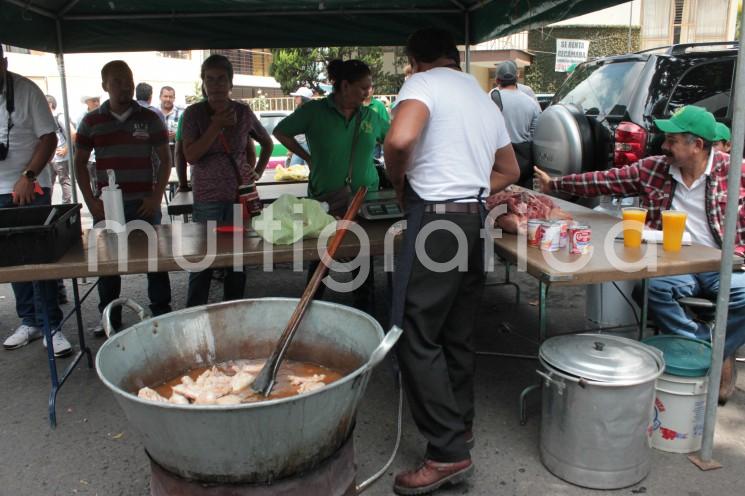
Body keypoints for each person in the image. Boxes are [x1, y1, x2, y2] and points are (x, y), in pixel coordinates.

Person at [534, 105, 745, 405]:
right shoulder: (655, 168)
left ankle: (704, 350)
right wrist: (555, 184)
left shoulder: (734, 171)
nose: (664, 146)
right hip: (672, 264)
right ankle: (703, 347)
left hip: (719, 263)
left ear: (696, 145)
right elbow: (604, 180)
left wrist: (738, 254)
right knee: (650, 288)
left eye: (672, 140)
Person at [384, 28, 519, 494]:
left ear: (414, 60)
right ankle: (459, 426)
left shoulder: (422, 84)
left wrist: (400, 184)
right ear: (454, 56)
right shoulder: (485, 99)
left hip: (437, 220)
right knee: (457, 332)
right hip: (475, 219)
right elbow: (510, 170)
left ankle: (446, 453)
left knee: (414, 333)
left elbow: (400, 140)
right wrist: (468, 184)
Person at [273, 59, 389, 313]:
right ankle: (311, 314)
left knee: (363, 264)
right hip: (323, 202)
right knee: (320, 262)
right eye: (363, 87)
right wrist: (308, 158)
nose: (368, 92)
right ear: (345, 85)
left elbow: (392, 142)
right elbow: (281, 132)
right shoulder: (314, 111)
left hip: (364, 200)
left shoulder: (371, 115)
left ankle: (365, 315)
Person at [74, 60, 173, 334]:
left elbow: (165, 160)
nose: (124, 86)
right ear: (105, 85)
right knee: (107, 265)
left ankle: (161, 314)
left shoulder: (151, 118)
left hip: (145, 205)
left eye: (127, 80)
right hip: (108, 207)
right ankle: (110, 317)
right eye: (116, 81)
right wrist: (92, 203)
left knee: (155, 260)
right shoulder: (91, 121)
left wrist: (155, 197)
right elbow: (79, 162)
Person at [181, 54, 273, 307]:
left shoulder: (243, 112)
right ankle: (193, 314)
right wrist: (216, 126)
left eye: (222, 79)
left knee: (237, 262)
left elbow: (266, 142)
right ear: (203, 83)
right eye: (210, 79)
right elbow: (191, 155)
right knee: (202, 262)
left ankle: (233, 311)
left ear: (231, 83)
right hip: (207, 200)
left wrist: (258, 171)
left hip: (239, 198)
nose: (216, 84)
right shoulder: (193, 114)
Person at [1, 43, 72, 357]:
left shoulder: (26, 90)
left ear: (3, 63)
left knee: (40, 258)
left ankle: (51, 325)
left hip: (30, 186)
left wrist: (28, 176)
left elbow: (49, 137)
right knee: (13, 260)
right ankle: (29, 320)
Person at [491, 63, 541, 187]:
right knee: (521, 201)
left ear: (497, 80)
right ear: (516, 78)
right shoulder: (531, 103)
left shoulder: (490, 98)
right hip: (524, 162)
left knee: (499, 201)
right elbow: (535, 134)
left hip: (498, 160)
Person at [45, 95, 73, 204]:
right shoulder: (45, 118)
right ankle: (48, 205)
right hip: (50, 158)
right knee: (48, 183)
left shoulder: (59, 117)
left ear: (50, 104)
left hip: (60, 157)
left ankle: (66, 205)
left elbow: (73, 134)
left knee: (64, 181)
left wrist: (66, 149)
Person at [77, 94, 101, 196]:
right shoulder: (82, 118)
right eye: (93, 101)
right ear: (87, 102)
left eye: (97, 100)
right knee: (96, 185)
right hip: (91, 158)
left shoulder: (102, 115)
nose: (96, 103)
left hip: (100, 156)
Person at [287, 86, 313, 166]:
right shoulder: (298, 111)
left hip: (308, 145)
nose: (295, 98)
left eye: (297, 96)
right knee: (294, 170)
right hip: (298, 145)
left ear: (304, 98)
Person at [160, 85, 183, 165]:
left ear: (174, 98)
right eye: (165, 96)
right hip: (158, 150)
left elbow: (188, 132)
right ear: (160, 97)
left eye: (171, 97)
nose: (168, 99)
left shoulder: (181, 112)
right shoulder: (154, 113)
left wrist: (177, 135)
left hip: (176, 149)